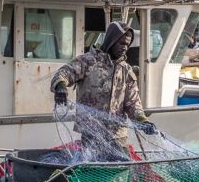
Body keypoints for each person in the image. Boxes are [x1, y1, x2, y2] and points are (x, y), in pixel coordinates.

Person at [51, 21, 157, 158]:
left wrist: (143, 121)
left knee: (119, 174)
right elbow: (64, 73)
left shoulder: (126, 71)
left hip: (118, 136)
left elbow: (133, 103)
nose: (124, 48)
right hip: (92, 135)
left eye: (127, 44)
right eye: (121, 43)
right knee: (93, 173)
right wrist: (60, 86)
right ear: (111, 40)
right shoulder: (88, 62)